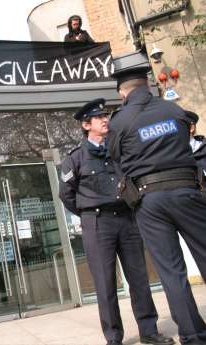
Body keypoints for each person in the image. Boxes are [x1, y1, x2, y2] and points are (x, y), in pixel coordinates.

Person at [59, 99, 173, 345]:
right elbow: (66, 195)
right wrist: (89, 214)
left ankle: (149, 332)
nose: (105, 120)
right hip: (98, 223)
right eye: (99, 118)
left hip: (127, 219)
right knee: (105, 283)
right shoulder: (75, 158)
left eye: (106, 116)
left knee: (139, 279)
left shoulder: (119, 151)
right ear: (86, 124)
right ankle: (113, 337)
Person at [107, 65, 206, 345]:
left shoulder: (119, 121)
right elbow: (185, 143)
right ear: (147, 86)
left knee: (172, 271)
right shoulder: (174, 110)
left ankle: (194, 335)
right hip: (188, 189)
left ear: (122, 93)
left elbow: (116, 158)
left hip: (149, 199)